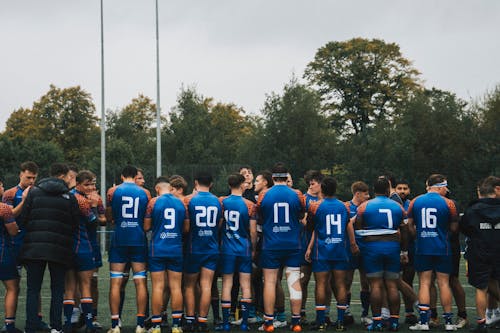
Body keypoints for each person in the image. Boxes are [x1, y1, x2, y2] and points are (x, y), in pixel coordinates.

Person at [19, 163, 79, 333]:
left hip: (34, 249)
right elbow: (75, 225)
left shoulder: (34, 192)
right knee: (58, 289)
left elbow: (24, 219)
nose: (69, 179)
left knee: (32, 290)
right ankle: (56, 327)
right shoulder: (69, 196)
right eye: (68, 176)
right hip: (59, 249)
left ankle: (30, 327)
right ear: (62, 176)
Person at [256, 163, 305, 332]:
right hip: (292, 243)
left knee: (269, 282)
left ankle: (269, 322)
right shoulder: (297, 194)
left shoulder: (264, 194)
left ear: (273, 177)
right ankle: (296, 321)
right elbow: (301, 214)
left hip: (271, 243)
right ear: (286, 176)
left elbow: (260, 217)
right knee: (294, 281)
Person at [305, 176, 358, 331]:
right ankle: (340, 321)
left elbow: (312, 228)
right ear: (336, 189)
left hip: (322, 250)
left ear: (322, 189)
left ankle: (321, 321)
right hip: (339, 250)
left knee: (321, 284)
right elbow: (348, 226)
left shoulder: (315, 206)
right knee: (340, 284)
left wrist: (309, 247)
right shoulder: (344, 206)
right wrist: (353, 244)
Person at [355, 177, 407, 332]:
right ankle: (395, 321)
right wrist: (404, 251)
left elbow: (358, 228)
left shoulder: (364, 206)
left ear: (373, 190)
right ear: (388, 190)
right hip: (392, 247)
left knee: (375, 285)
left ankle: (377, 321)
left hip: (372, 247)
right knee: (392, 284)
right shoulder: (398, 206)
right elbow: (405, 230)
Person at [407, 174, 458, 332]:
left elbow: (410, 226)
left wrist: (419, 236)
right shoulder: (448, 203)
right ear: (441, 186)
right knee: (443, 283)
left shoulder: (415, 201)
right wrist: (443, 234)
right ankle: (449, 322)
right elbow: (455, 228)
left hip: (423, 247)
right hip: (442, 247)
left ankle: (424, 322)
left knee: (424, 283)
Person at [106, 165, 150, 333]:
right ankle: (140, 324)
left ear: (122, 175)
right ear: (135, 175)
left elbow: (110, 217)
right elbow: (146, 219)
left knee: (116, 282)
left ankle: (115, 325)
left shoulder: (113, 191)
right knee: (140, 282)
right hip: (138, 239)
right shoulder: (145, 192)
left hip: (120, 239)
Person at [63, 170, 106, 333]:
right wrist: (93, 207)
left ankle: (69, 323)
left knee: (72, 287)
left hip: (70, 247)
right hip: (82, 246)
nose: (91, 187)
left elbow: (104, 220)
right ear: (78, 184)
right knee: (84, 285)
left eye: (93, 184)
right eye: (87, 184)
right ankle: (87, 323)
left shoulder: (68, 196)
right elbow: (94, 221)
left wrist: (98, 211)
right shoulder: (80, 199)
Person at [144, 176, 187, 333]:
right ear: (170, 188)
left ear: (157, 189)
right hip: (175, 248)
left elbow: (146, 226)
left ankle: (156, 326)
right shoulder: (181, 202)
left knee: (158, 287)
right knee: (176, 287)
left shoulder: (154, 202)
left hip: (158, 248)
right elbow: (186, 228)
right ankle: (176, 325)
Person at [183, 172, 222, 332]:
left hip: (194, 247)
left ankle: (191, 319)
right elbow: (219, 224)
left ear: (195, 182)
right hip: (211, 247)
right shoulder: (218, 201)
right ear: (211, 184)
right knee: (206, 285)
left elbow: (186, 226)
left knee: (190, 285)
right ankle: (203, 320)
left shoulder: (189, 200)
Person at [460, 176, 500, 333]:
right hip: (498, 251)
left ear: (480, 192)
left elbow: (465, 229)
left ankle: (482, 323)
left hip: (479, 252)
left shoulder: (472, 210)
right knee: (495, 283)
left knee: (481, 288)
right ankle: (493, 315)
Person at [219, 173, 257, 331]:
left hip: (227, 249)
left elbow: (218, 225)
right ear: (242, 185)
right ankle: (244, 323)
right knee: (245, 285)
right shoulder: (249, 204)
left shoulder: (222, 202)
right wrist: (253, 248)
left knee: (227, 284)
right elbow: (253, 232)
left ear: (229, 185)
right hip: (244, 248)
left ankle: (226, 323)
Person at [343, 181, 372, 327]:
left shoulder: (369, 206)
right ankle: (346, 311)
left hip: (366, 248)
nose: (368, 197)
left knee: (365, 282)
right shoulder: (346, 206)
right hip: (349, 248)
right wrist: (353, 219)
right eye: (366, 194)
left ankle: (365, 314)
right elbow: (344, 224)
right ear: (357, 194)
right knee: (346, 280)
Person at [300, 170, 324, 326]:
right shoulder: (303, 199)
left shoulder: (327, 199)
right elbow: (301, 221)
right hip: (305, 243)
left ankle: (323, 314)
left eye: (314, 183)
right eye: (310, 183)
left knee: (323, 282)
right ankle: (300, 312)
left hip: (322, 245)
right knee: (303, 279)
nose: (311, 186)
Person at [0, 199, 21, 333]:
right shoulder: (3, 208)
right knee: (12, 288)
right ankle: (9, 325)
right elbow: (13, 231)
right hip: (3, 253)